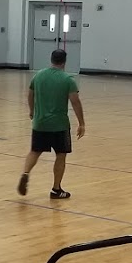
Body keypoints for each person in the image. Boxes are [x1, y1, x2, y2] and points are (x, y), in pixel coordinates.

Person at [18, 49, 85, 200]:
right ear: (64, 61)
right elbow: (75, 102)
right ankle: (56, 189)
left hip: (40, 123)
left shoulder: (39, 75)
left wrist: (31, 111)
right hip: (59, 125)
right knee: (61, 155)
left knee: (35, 151)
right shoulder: (68, 80)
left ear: (51, 59)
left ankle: (25, 173)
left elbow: (30, 94)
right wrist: (81, 123)